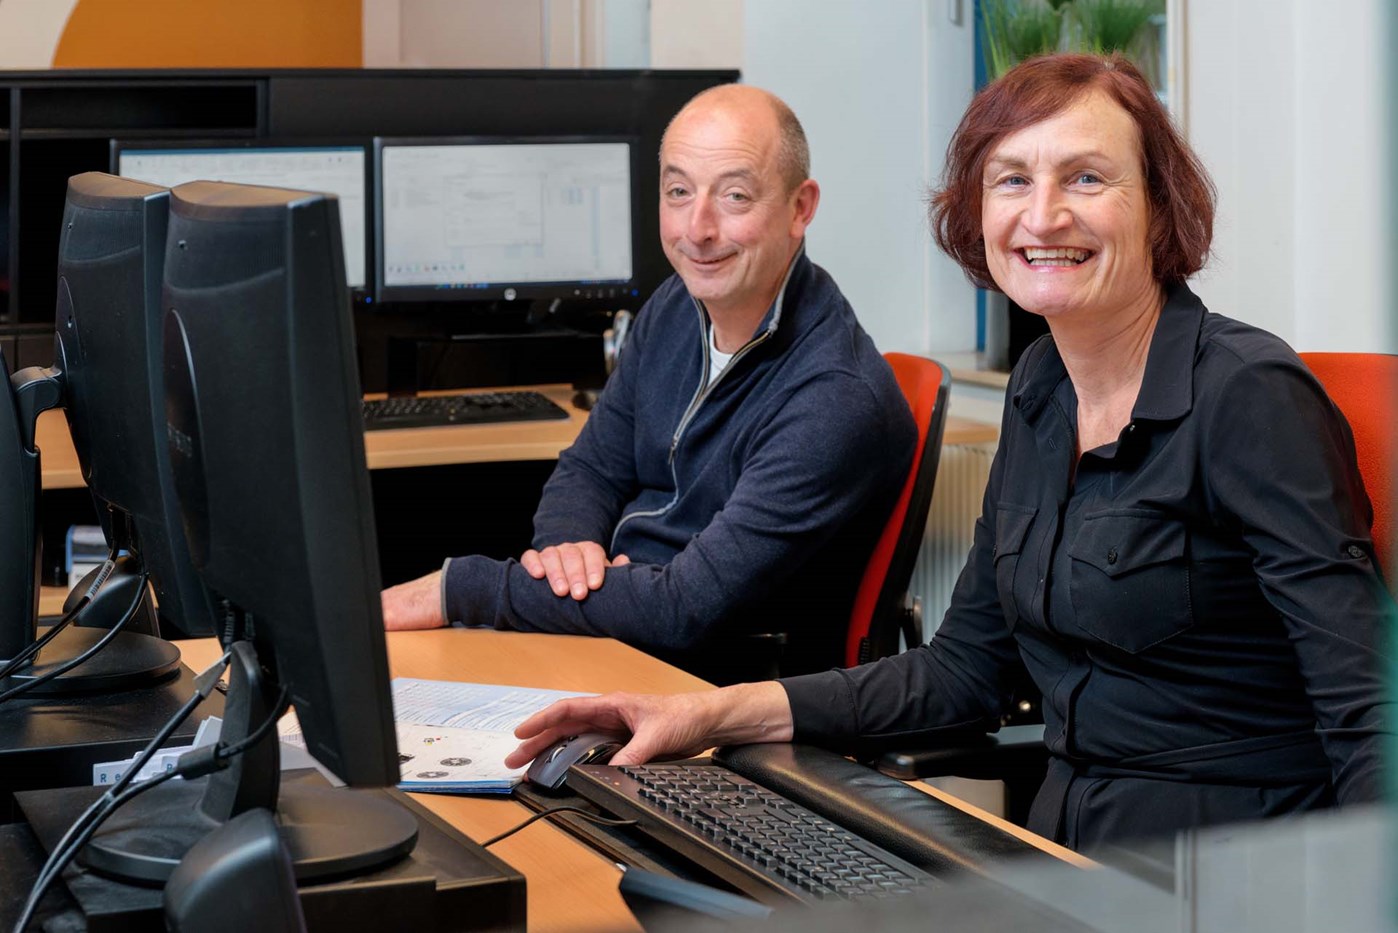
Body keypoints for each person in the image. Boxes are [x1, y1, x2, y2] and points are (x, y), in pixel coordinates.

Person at [506, 54, 1393, 850]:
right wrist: (702, 714)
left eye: (1086, 177)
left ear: (1159, 203)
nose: (1043, 214)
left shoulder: (1247, 394)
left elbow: (1368, 712)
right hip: (1066, 852)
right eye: (1011, 180)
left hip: (1239, 866)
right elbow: (964, 669)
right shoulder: (1042, 386)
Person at [381, 84, 916, 685]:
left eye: (735, 196)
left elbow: (684, 608)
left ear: (800, 208)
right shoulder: (677, 306)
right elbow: (592, 467)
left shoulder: (834, 398)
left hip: (713, 686)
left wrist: (458, 589)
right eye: (678, 192)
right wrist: (568, 552)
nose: (698, 229)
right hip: (615, 633)